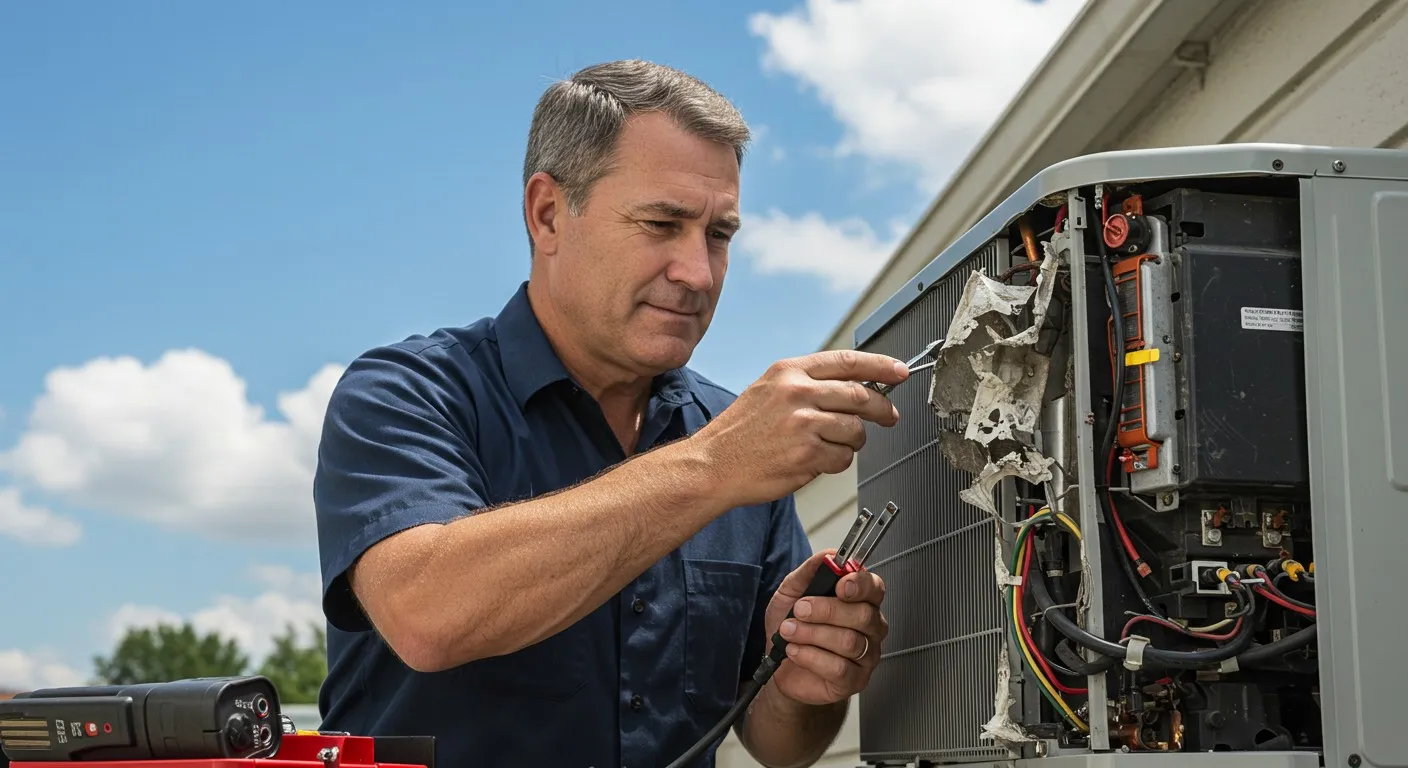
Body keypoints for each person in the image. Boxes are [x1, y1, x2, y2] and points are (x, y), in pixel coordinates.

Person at [311, 59, 910, 768]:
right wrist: (714, 465)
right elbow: (427, 614)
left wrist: (807, 681)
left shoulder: (734, 437)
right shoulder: (406, 392)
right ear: (547, 214)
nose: (698, 273)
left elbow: (780, 745)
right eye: (661, 223)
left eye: (719, 235)